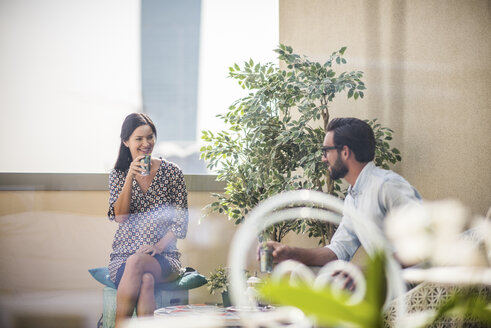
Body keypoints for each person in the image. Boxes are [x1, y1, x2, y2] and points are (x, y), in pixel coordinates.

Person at [264, 117, 421, 268]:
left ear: (345, 152)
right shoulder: (353, 198)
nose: (323, 158)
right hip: (389, 286)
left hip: (418, 288)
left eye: (326, 151)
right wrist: (290, 253)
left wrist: (366, 273)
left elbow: (423, 244)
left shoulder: (387, 186)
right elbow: (338, 251)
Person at [107, 113, 188, 327]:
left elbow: (181, 222)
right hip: (123, 257)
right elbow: (120, 218)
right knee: (145, 280)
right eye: (139, 139)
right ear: (126, 142)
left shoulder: (172, 173)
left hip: (164, 257)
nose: (146, 144)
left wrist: (158, 246)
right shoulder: (118, 174)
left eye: (150, 137)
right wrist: (129, 178)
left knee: (137, 262)